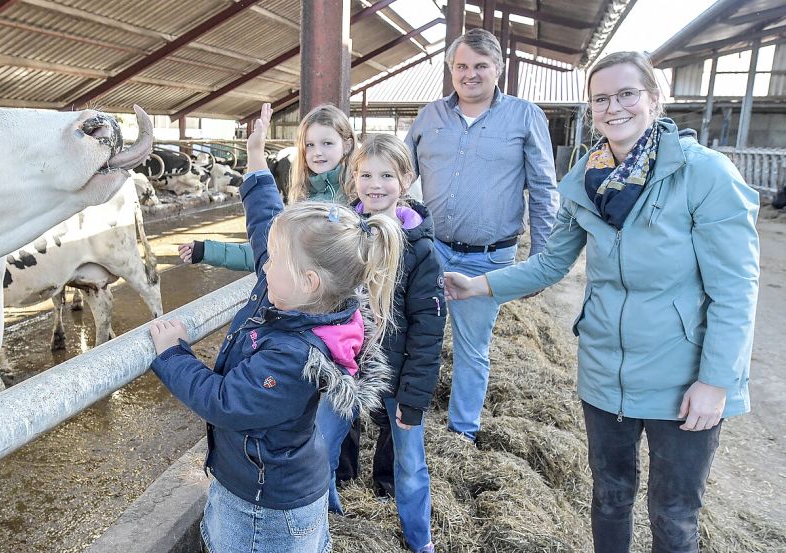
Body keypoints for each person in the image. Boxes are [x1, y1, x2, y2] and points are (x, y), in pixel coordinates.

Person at [442, 51, 759, 553]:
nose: (614, 108)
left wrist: (715, 381)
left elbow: (735, 289)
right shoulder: (585, 181)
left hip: (681, 373)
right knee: (610, 497)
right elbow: (550, 264)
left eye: (627, 94)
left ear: (655, 99)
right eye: (601, 98)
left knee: (673, 514)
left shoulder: (704, 175)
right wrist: (479, 285)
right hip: (604, 371)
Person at [149, 103, 404, 553]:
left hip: (263, 510)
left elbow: (224, 400)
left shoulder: (293, 355)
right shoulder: (311, 301)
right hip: (273, 491)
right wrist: (254, 161)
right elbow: (267, 223)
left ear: (307, 280)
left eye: (274, 263)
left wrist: (173, 355)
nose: (263, 268)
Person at [404, 28, 558, 442]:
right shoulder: (429, 116)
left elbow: (544, 189)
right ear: (451, 70)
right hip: (430, 251)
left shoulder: (525, 116)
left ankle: (462, 433)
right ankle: (405, 419)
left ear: (498, 70)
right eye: (462, 66)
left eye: (480, 66)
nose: (470, 74)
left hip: (486, 259)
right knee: (418, 337)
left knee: (472, 348)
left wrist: (541, 262)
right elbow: (398, 175)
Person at [314, 134, 445, 553]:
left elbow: (428, 331)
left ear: (405, 179)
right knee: (321, 449)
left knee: (410, 462)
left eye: (387, 175)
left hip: (396, 370)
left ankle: (419, 541)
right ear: (353, 178)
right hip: (341, 368)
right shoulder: (338, 235)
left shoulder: (421, 250)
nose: (376, 184)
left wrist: (415, 397)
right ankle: (323, 522)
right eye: (366, 174)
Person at [178, 104, 356, 271]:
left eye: (327, 143)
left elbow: (272, 253)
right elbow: (270, 251)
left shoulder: (357, 198)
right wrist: (206, 251)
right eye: (310, 145)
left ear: (347, 145)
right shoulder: (305, 198)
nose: (317, 152)